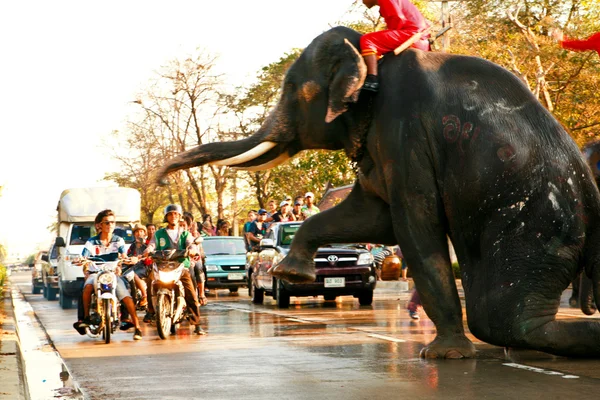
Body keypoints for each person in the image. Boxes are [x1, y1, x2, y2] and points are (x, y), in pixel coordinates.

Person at [73, 209, 143, 340]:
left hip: (112, 275)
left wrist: (129, 259)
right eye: (106, 222)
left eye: (112, 222)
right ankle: (87, 318)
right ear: (100, 225)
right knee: (87, 288)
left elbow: (123, 255)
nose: (110, 225)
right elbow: (84, 255)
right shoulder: (91, 242)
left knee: (126, 296)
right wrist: (80, 259)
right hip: (95, 274)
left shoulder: (119, 240)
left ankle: (137, 327)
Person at [143, 204, 206, 334]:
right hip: (161, 266)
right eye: (170, 214)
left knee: (191, 293)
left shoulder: (185, 233)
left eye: (176, 214)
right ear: (166, 217)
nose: (173, 217)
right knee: (150, 281)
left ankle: (197, 323)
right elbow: (152, 245)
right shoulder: (159, 233)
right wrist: (148, 250)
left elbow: (191, 244)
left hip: (180, 266)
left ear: (179, 217)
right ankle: (150, 311)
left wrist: (193, 250)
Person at [360, 0, 431, 92]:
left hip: (412, 35)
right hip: (421, 38)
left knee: (367, 40)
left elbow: (397, 18)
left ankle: (372, 79)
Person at [181, 213, 208, 306]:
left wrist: (193, 253)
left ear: (189, 226)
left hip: (192, 258)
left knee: (197, 268)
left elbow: (195, 242)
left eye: (183, 225)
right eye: (179, 225)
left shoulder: (191, 234)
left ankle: (200, 294)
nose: (181, 227)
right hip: (176, 261)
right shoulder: (172, 234)